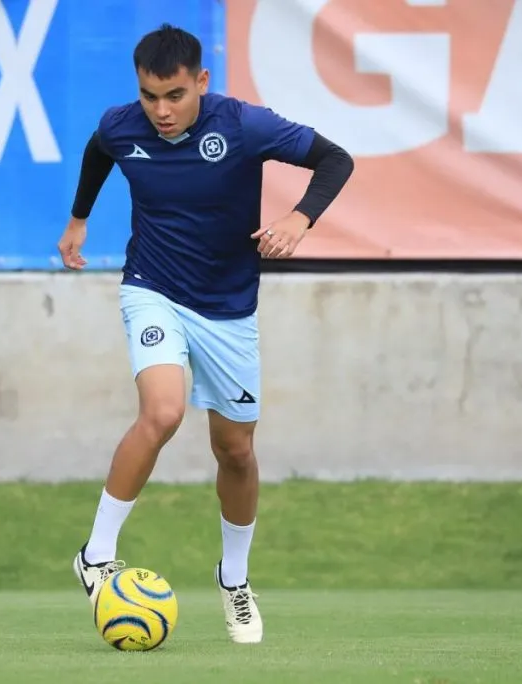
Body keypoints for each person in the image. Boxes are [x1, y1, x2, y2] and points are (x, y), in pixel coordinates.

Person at [58, 24, 354, 643]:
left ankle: (235, 581)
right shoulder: (122, 124)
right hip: (152, 287)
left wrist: (300, 218)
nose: (160, 111)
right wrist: (79, 220)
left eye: (173, 95)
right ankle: (95, 554)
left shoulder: (243, 124)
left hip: (228, 308)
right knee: (162, 412)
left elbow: (336, 159)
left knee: (236, 451)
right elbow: (97, 150)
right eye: (148, 97)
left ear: (201, 82)